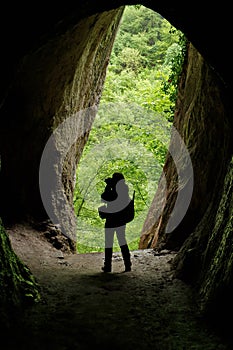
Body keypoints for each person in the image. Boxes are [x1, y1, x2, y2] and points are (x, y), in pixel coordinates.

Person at [98, 172, 133, 273]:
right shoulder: (125, 191)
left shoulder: (114, 191)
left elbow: (104, 198)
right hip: (121, 221)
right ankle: (128, 264)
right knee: (122, 241)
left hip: (111, 220)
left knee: (108, 243)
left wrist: (108, 186)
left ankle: (108, 266)